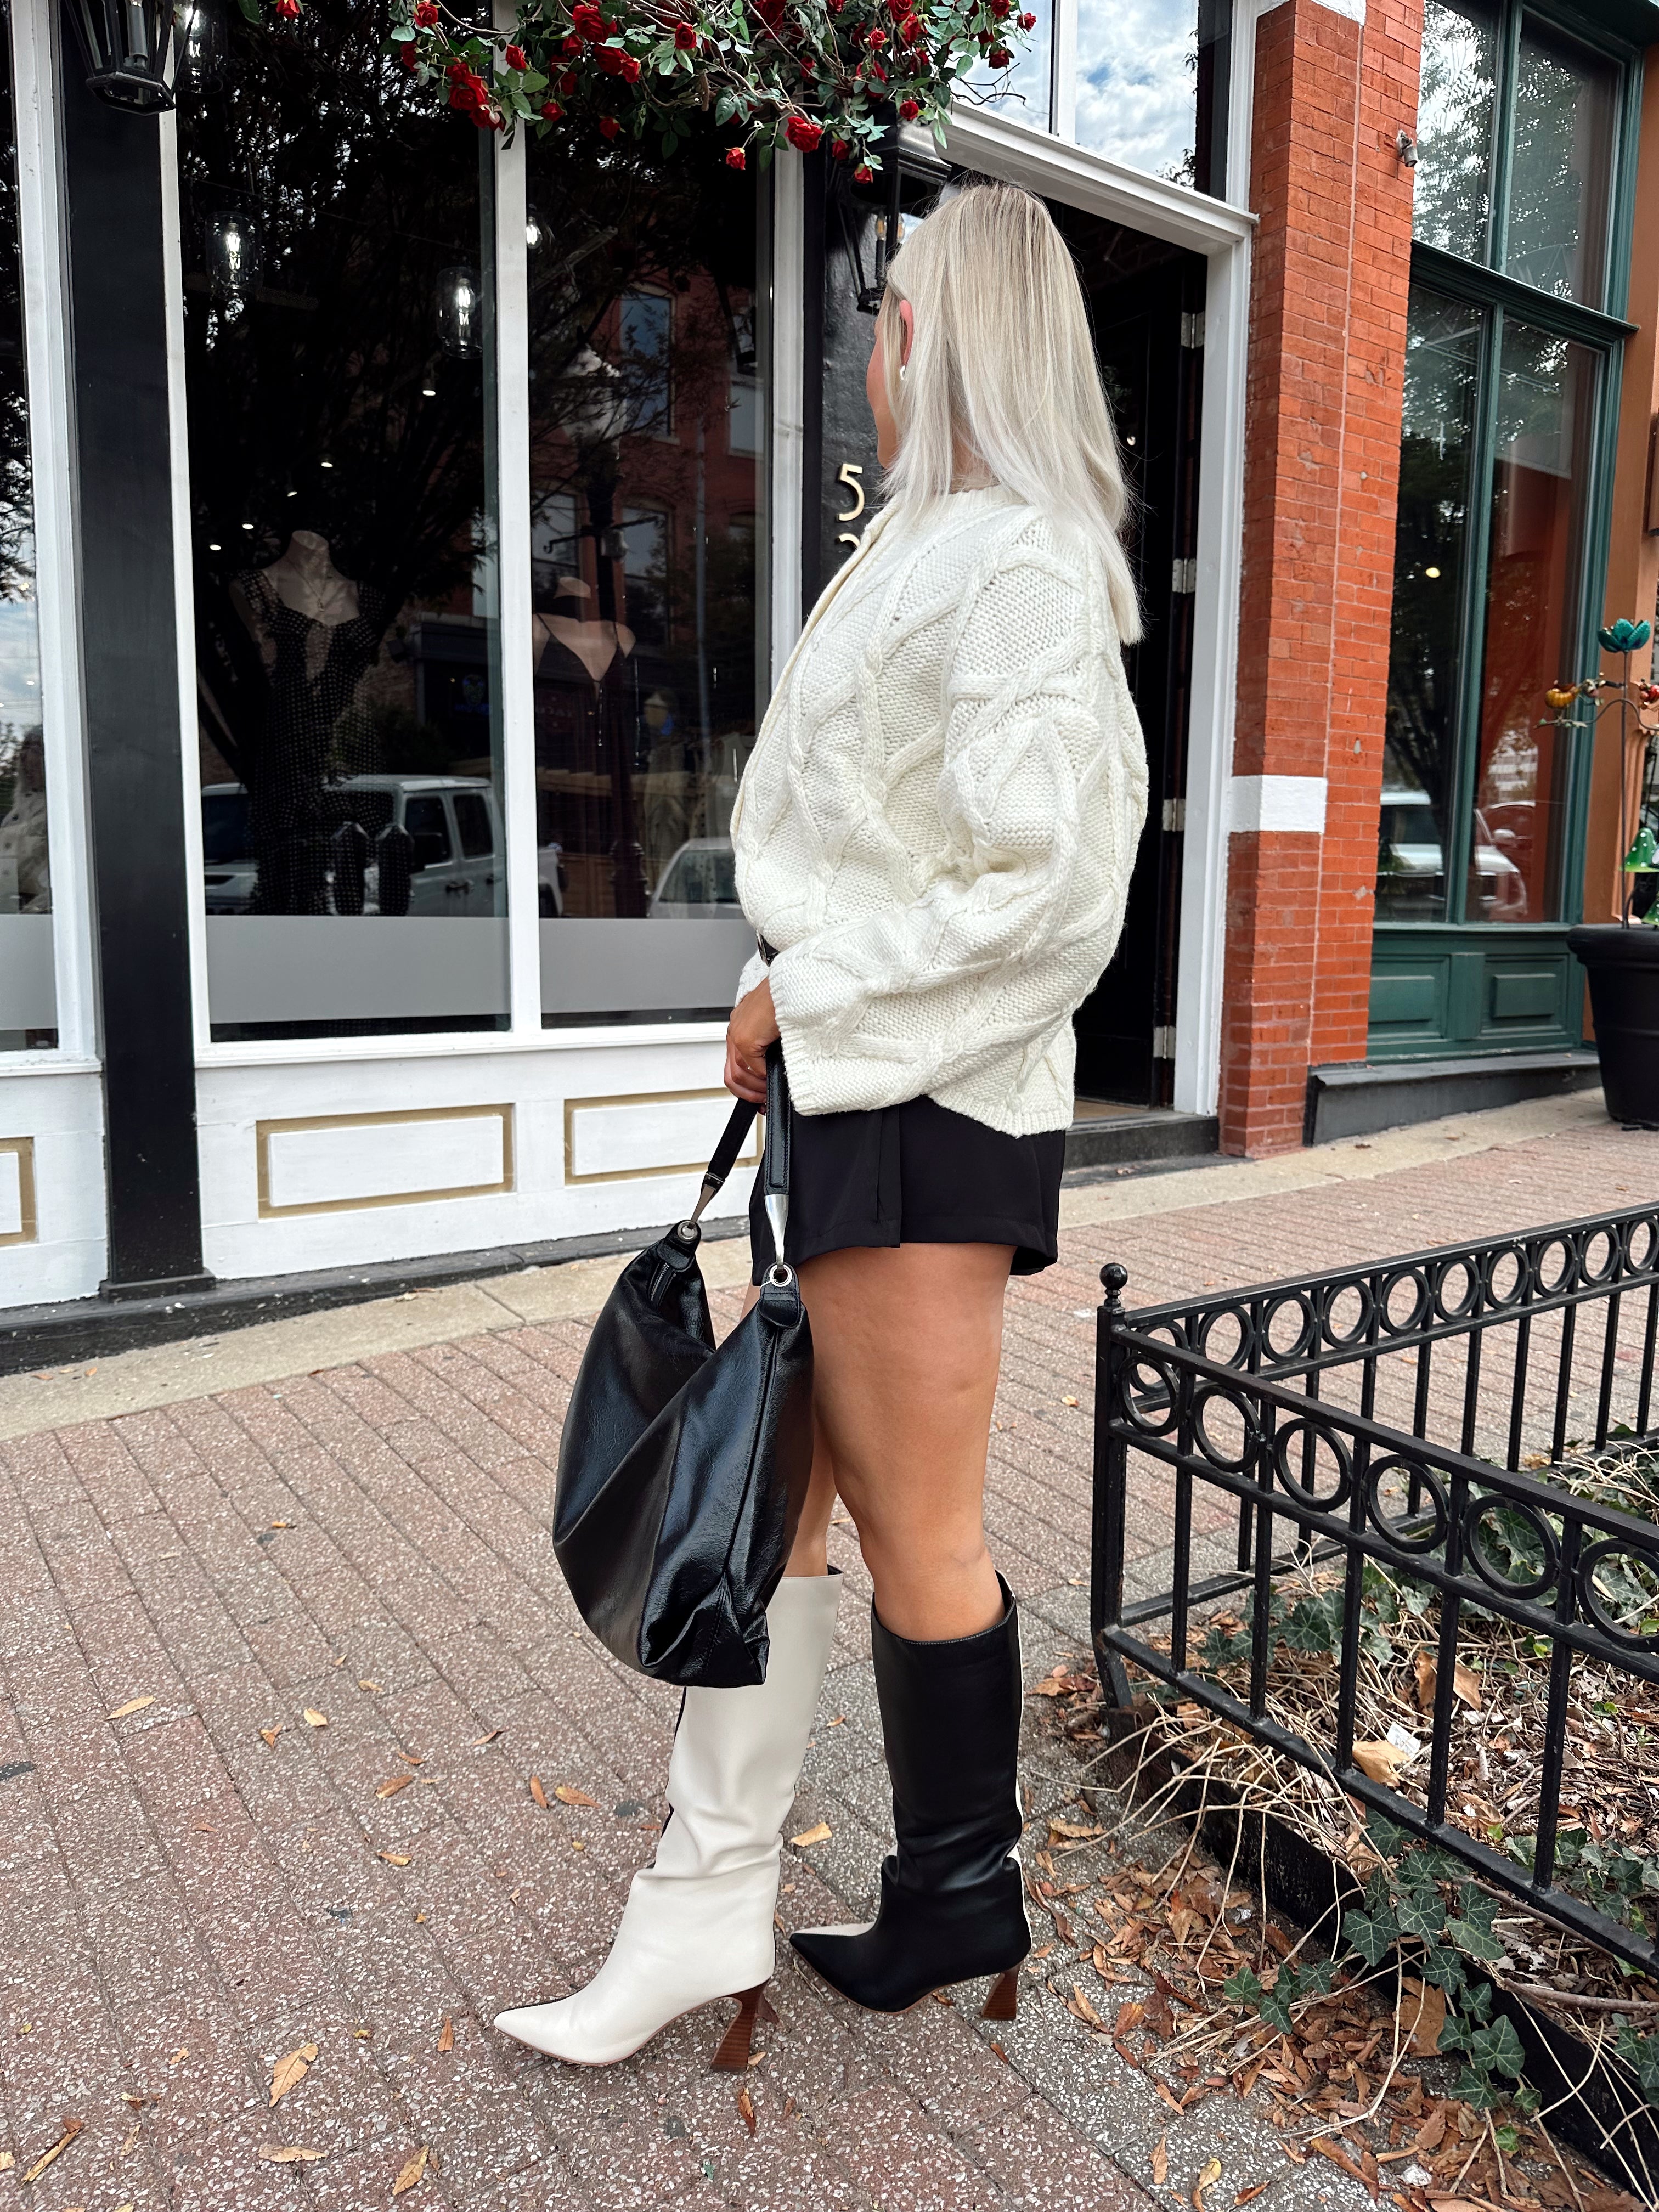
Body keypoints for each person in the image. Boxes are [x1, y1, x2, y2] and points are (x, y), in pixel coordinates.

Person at [495, 176, 1148, 2068]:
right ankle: (719, 1912)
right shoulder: (947, 544)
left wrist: (815, 996)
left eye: (888, 317)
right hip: (878, 1089)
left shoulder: (1014, 559)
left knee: (914, 1533)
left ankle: (948, 1893)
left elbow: (1056, 892)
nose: (867, 354)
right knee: (778, 1510)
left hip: (924, 1100)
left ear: (945, 338)